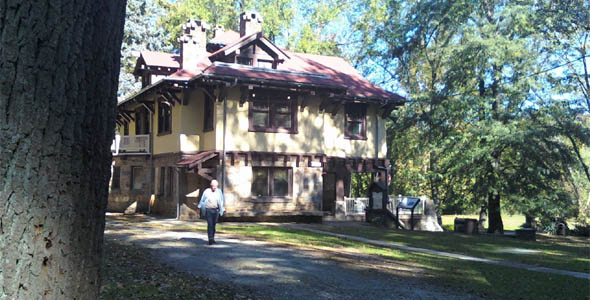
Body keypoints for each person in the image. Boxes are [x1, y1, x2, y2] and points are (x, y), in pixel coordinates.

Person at [197, 179, 225, 245]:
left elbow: (221, 200)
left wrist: (222, 209)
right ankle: (210, 238)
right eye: (213, 186)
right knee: (210, 224)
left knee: (214, 224)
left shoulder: (219, 191)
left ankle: (213, 238)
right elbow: (202, 200)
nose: (214, 187)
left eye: (216, 186)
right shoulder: (207, 191)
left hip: (216, 210)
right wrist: (199, 207)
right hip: (209, 210)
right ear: (211, 186)